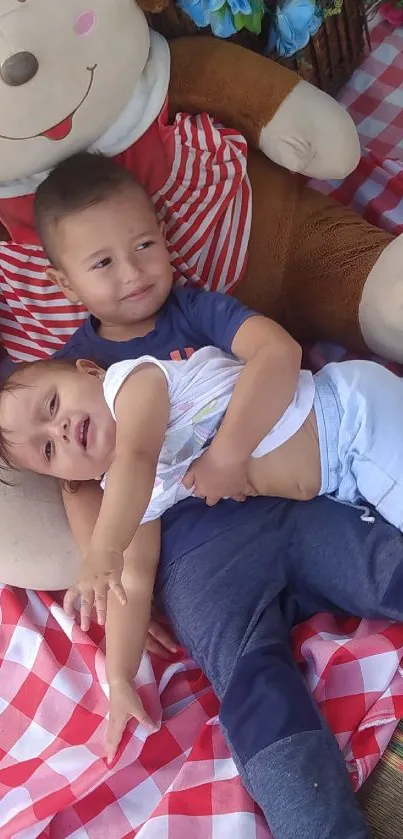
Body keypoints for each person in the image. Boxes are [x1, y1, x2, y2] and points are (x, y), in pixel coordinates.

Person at [1, 149, 389, 838]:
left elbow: (258, 365)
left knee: (374, 560)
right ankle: (317, 826)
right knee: (252, 687)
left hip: (287, 500)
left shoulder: (156, 346)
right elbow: (118, 548)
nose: (132, 274)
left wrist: (217, 459)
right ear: (64, 283)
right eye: (102, 264)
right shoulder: (64, 389)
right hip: (198, 563)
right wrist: (118, 666)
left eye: (145, 245)